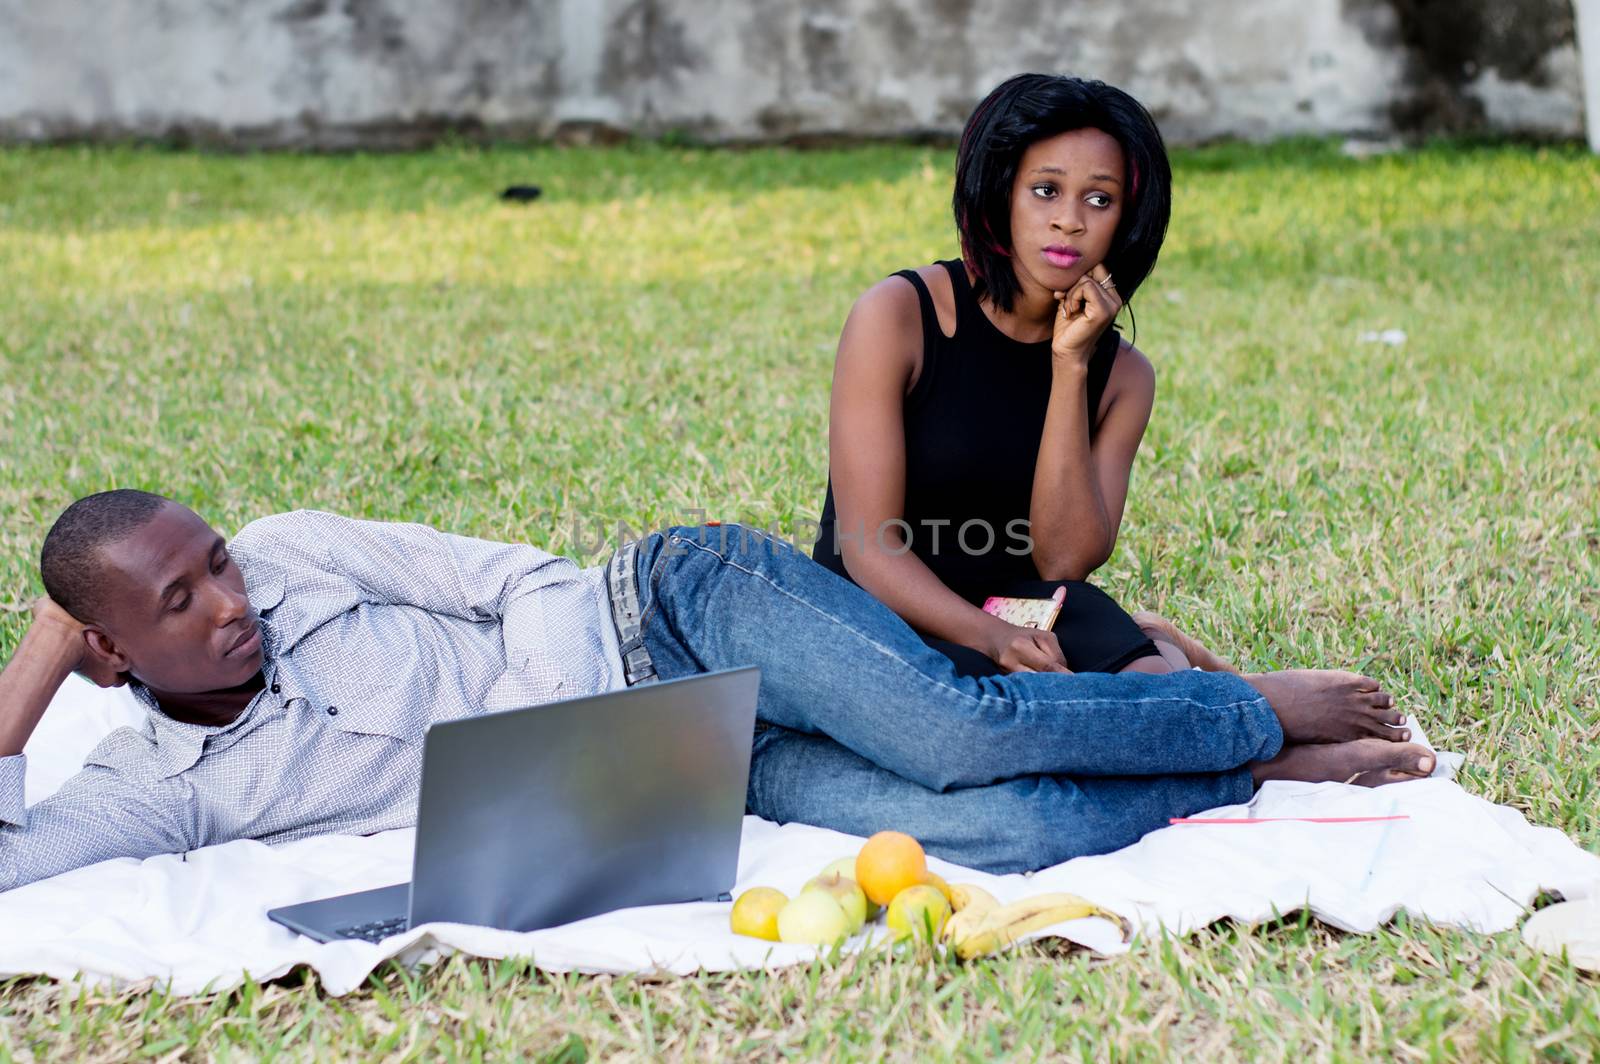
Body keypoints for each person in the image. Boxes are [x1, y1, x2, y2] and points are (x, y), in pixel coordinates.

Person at [0, 490, 1431, 891]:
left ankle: (1245, 703)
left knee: (948, 730)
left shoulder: (304, 555)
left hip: (672, 608)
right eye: (179, 601)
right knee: (995, 835)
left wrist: (546, 710)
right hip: (661, 771)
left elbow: (516, 576)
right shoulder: (158, 792)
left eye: (216, 564)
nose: (232, 600)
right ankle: (1237, 777)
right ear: (111, 650)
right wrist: (36, 663)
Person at [815, 73, 1235, 678]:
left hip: (1027, 615)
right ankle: (1259, 710)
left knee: (1146, 690)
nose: (1069, 222)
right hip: (881, 618)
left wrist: (1071, 367)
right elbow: (867, 550)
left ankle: (1196, 683)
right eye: (1044, 190)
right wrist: (992, 637)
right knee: (1006, 725)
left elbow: (1063, 561)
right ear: (1001, 194)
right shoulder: (899, 317)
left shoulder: (1122, 378)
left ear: (1128, 218)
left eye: (1099, 199)